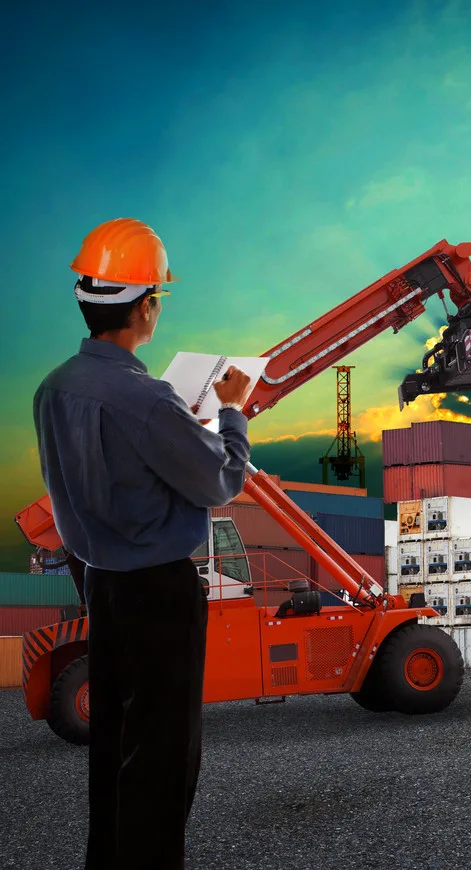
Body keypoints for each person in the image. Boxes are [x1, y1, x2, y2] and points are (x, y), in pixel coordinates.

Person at [32, 217, 255, 870]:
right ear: (148, 306)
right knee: (162, 756)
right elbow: (221, 480)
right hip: (158, 589)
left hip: (98, 582)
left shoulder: (53, 390)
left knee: (116, 745)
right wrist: (232, 412)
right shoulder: (148, 400)